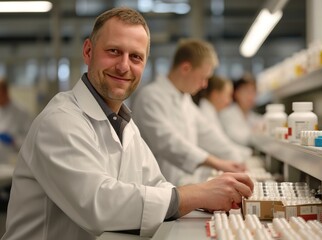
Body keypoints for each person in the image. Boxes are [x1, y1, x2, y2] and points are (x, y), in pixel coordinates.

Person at [1, 7, 253, 240]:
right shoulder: (60, 121)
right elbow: (98, 204)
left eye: (135, 57)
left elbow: (156, 184)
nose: (124, 66)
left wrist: (200, 198)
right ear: (88, 52)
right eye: (113, 51)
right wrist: (193, 194)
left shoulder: (124, 125)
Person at [132, 39, 247, 187]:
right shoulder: (150, 97)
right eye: (203, 77)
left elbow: (208, 133)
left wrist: (236, 159)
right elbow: (169, 142)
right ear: (186, 68)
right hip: (158, 190)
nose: (204, 84)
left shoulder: (185, 99)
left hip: (182, 187)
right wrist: (216, 162)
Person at [197, 75, 252, 158]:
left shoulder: (211, 112)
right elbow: (220, 146)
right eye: (228, 95)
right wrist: (246, 154)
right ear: (215, 95)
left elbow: (224, 143)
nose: (229, 101)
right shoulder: (206, 114)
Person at [219, 73, 264, 146]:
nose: (250, 96)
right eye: (246, 91)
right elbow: (239, 139)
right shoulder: (227, 114)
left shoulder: (252, 116)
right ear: (236, 93)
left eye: (253, 91)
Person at [0, 79, 32, 165]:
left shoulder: (21, 112)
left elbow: (29, 141)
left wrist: (13, 140)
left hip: (12, 163)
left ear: (5, 92)